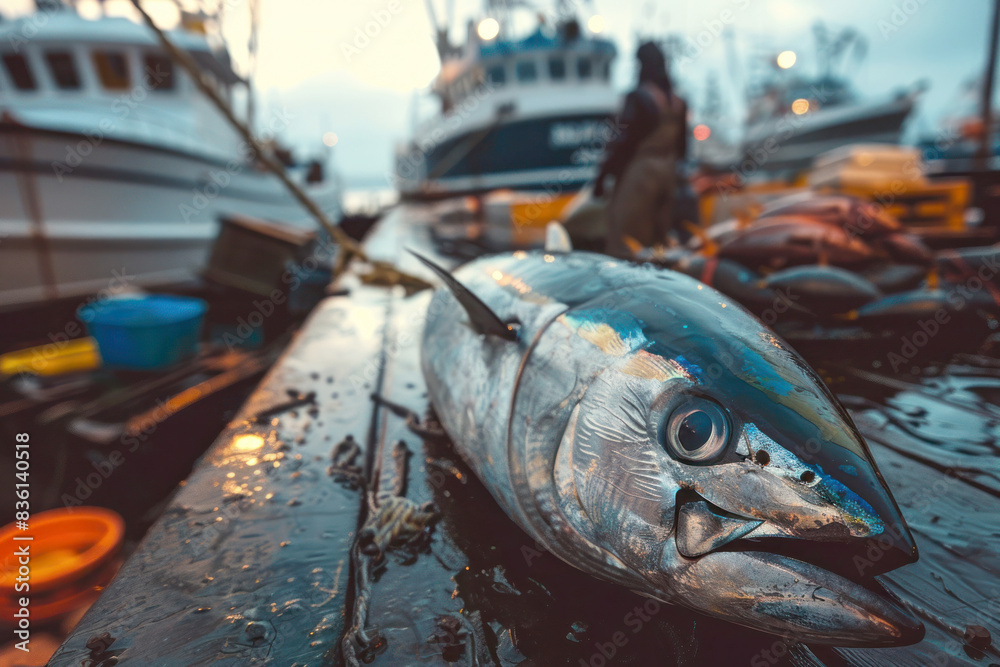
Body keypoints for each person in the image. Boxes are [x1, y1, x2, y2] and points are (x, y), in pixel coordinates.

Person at [594, 41, 688, 257]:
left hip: (640, 174)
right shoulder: (678, 102)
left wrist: (603, 176)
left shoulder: (639, 98)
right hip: (668, 172)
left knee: (626, 240)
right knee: (660, 241)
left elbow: (622, 143)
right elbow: (683, 147)